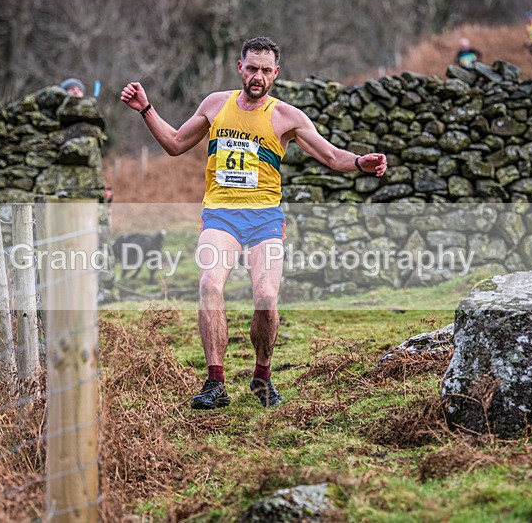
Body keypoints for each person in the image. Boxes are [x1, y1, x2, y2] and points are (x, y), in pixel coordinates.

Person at [120, 36, 387, 410]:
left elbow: (329, 155)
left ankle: (262, 377)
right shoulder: (216, 104)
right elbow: (176, 143)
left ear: (275, 73)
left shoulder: (286, 117)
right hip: (221, 215)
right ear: (239, 67)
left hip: (264, 219)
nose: (257, 76)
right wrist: (146, 108)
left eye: (265, 70)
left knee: (265, 296)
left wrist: (360, 162)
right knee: (210, 284)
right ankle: (215, 382)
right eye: (252, 68)